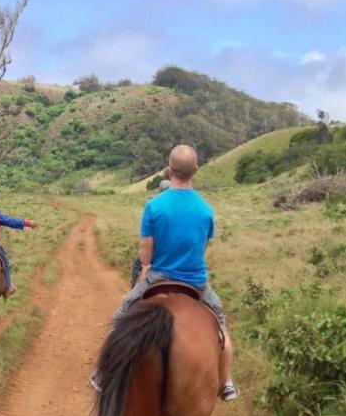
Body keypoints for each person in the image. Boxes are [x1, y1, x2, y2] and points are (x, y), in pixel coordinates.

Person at [92, 144, 238, 400]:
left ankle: (102, 373)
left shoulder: (154, 206)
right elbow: (201, 249)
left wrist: (147, 268)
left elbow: (146, 256)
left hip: (158, 277)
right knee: (221, 326)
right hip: (196, 283)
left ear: (168, 170)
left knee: (121, 315)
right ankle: (226, 382)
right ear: (196, 170)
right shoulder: (206, 210)